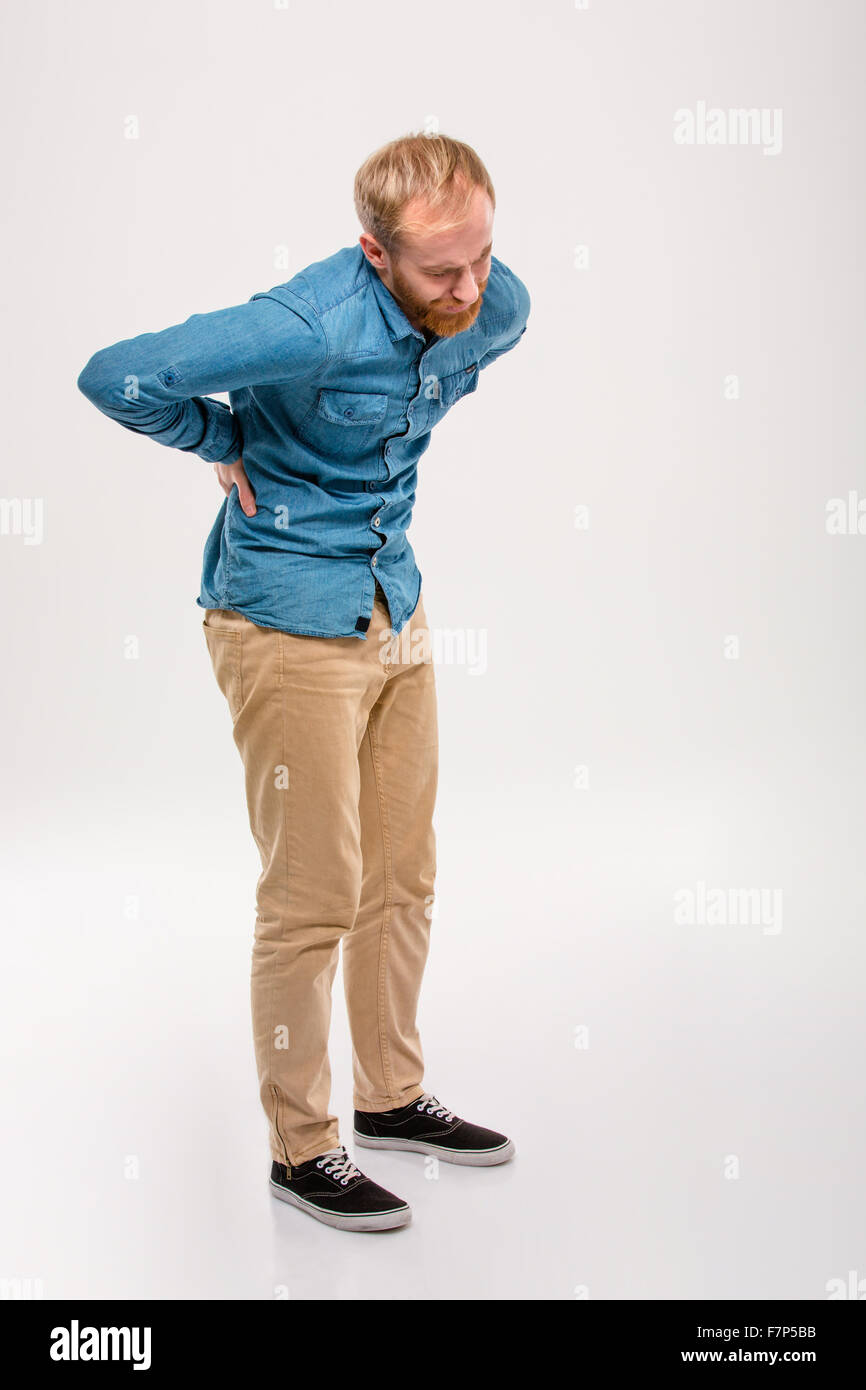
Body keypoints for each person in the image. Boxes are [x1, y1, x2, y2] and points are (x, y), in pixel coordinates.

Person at [77, 131, 531, 1233]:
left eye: (479, 256)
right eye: (439, 271)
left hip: (393, 601)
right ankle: (301, 1149)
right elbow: (114, 372)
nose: (470, 287)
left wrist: (464, 296)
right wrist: (215, 434)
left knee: (403, 876)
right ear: (372, 254)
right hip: (281, 616)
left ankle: (390, 1097)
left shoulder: (497, 305)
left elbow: (472, 325)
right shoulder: (308, 320)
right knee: (312, 896)